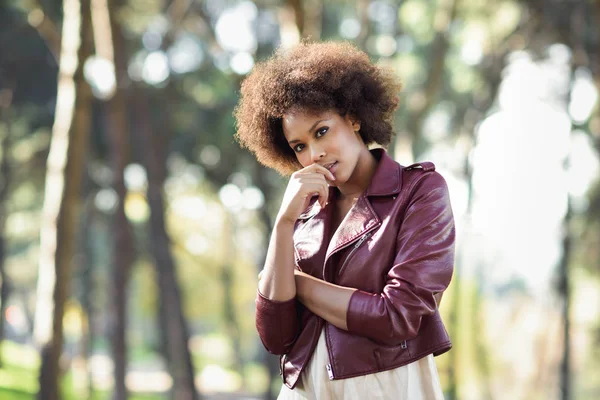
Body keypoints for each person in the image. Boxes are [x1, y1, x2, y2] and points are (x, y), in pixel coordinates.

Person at [234, 41, 455, 400]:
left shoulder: (419, 192)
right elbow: (276, 337)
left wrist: (298, 285)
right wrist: (284, 222)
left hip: (388, 387)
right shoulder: (303, 212)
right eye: (299, 146)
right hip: (304, 390)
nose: (314, 154)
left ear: (353, 117)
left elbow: (397, 316)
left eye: (321, 131)